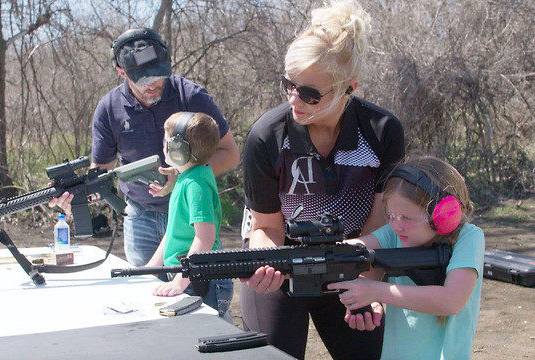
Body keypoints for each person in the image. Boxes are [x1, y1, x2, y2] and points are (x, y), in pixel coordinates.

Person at [239, 0, 405, 359]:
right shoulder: (266, 136)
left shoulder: (381, 131)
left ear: (349, 87)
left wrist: (368, 288)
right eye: (289, 85)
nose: (294, 100)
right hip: (282, 268)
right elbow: (265, 226)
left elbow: (381, 221)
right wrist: (266, 263)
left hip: (353, 264)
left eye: (310, 94)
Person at [49, 28, 240, 267]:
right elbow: (101, 172)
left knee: (195, 290)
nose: (152, 84)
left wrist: (183, 176)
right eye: (142, 78)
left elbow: (230, 154)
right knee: (146, 292)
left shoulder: (192, 96)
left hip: (191, 214)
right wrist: (74, 196)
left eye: (157, 75)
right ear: (121, 72)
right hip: (140, 217)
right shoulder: (109, 108)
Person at [327, 155, 485, 359]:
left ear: (443, 214)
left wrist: (375, 291)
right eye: (391, 215)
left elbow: (451, 301)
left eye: (406, 218)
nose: (396, 224)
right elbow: (347, 252)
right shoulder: (395, 234)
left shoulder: (468, 238)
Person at [145, 111, 234, 321]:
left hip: (201, 282)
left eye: (167, 142)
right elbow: (173, 232)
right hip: (190, 277)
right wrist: (149, 268)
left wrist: (180, 281)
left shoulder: (196, 185)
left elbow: (205, 238)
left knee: (206, 341)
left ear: (179, 149)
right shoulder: (188, 177)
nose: (163, 146)